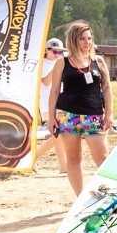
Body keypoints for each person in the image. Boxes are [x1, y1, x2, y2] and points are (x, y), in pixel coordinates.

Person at [46, 21, 114, 195]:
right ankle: (80, 198)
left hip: (94, 117)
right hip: (69, 116)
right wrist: (51, 117)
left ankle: (108, 192)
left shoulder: (98, 61)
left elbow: (106, 88)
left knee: (104, 159)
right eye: (82, 39)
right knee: (74, 158)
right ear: (74, 40)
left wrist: (109, 114)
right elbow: (54, 91)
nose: (87, 42)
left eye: (89, 38)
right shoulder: (62, 63)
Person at [35, 37, 68, 174]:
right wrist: (57, 66)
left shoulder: (61, 64)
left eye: (60, 52)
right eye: (54, 52)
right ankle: (33, 157)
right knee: (58, 135)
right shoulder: (42, 63)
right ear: (47, 51)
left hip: (60, 102)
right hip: (47, 104)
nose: (57, 55)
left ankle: (63, 167)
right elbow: (46, 82)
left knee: (59, 135)